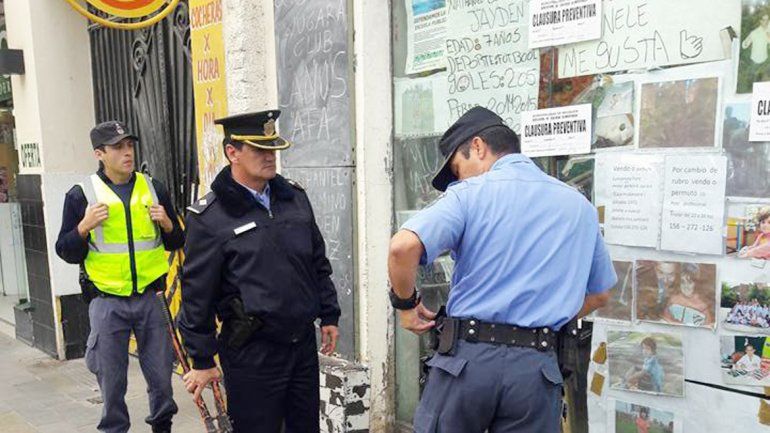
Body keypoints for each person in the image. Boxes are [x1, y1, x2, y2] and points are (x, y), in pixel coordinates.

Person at [387, 107, 616, 432]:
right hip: (536, 371)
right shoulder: (578, 205)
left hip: (467, 365)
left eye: (457, 167)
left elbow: (402, 248)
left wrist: (406, 306)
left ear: (478, 146)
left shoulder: (468, 195)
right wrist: (544, 315)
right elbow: (601, 293)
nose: (459, 178)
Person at [178, 110, 341, 433]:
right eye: (259, 150)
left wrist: (330, 315)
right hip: (252, 351)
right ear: (232, 152)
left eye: (273, 149)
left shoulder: (293, 199)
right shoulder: (210, 217)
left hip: (301, 346)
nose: (270, 158)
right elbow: (197, 294)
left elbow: (317, 264)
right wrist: (202, 359)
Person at [55, 121, 184, 433]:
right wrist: (83, 227)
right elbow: (66, 251)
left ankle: (162, 427)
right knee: (111, 383)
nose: (127, 152)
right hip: (106, 302)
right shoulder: (81, 195)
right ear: (99, 153)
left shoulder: (154, 188)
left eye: (129, 145)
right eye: (117, 147)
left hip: (152, 300)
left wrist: (168, 224)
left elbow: (177, 242)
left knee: (162, 379)